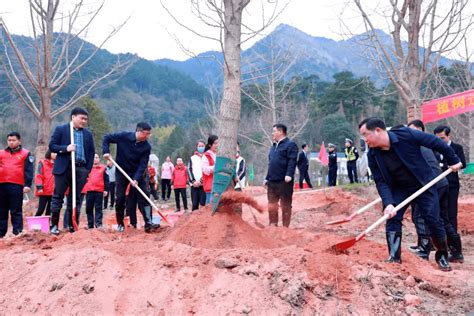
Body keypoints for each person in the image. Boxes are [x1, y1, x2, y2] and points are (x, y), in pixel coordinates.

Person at [359, 117, 462, 271]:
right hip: (400, 188)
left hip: (423, 183)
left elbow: (436, 143)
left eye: (365, 134)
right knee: (392, 217)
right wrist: (388, 203)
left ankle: (441, 256)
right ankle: (394, 257)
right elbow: (380, 181)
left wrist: (453, 160)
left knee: (432, 219)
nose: (364, 140)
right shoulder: (373, 155)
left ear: (378, 131)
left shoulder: (405, 134)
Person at [103, 122, 158, 233]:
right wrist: (106, 151)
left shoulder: (146, 146)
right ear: (139, 131)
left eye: (149, 134)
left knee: (145, 197)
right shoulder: (124, 137)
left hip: (137, 173)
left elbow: (143, 164)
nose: (147, 136)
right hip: (122, 171)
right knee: (120, 198)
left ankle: (149, 222)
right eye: (146, 134)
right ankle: (120, 224)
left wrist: (136, 178)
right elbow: (107, 138)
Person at [407, 120, 450, 260]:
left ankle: (425, 249)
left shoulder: (417, 146)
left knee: (421, 216)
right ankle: (431, 246)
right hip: (437, 183)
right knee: (433, 218)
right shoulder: (423, 145)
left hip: (432, 184)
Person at [48, 107, 95, 235]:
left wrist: (87, 169)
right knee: (58, 197)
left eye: (86, 119)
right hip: (64, 168)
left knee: (76, 199)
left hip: (81, 169)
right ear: (73, 117)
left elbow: (91, 152)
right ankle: (54, 225)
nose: (84, 121)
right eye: (81, 118)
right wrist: (66, 148)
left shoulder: (87, 134)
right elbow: (52, 146)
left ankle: (72, 225)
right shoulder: (61, 129)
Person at [434, 125, 467, 263]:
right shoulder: (434, 148)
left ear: (449, 136)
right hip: (438, 186)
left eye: (442, 138)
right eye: (437, 139)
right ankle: (442, 243)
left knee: (451, 214)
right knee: (440, 214)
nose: (440, 141)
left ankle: (455, 248)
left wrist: (447, 166)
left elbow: (462, 163)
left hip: (452, 185)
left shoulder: (456, 147)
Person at [0, 132, 34, 237]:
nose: (11, 142)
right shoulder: (1, 153)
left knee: (16, 209)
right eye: (9, 140)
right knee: (1, 210)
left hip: (16, 185)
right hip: (1, 184)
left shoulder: (25, 153)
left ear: (19, 141)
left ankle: (17, 232)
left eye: (13, 140)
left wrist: (27, 184)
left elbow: (29, 170)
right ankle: (1, 233)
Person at [264, 124, 298, 227]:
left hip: (284, 181)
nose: (272, 134)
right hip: (272, 181)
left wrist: (289, 174)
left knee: (285, 205)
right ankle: (273, 225)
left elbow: (292, 161)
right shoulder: (273, 146)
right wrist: (266, 177)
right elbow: (271, 163)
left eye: (274, 131)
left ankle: (285, 228)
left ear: (281, 132)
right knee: (272, 204)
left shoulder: (290, 144)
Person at [83, 154, 109, 229]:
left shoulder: (103, 168)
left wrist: (106, 189)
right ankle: (90, 224)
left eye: (97, 157)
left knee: (98, 208)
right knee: (88, 208)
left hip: (99, 191)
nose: (95, 159)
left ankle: (98, 224)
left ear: (99, 159)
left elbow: (106, 179)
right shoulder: (88, 168)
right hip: (89, 190)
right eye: (93, 157)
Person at [34, 149, 56, 216]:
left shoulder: (59, 164)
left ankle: (47, 225)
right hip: (44, 190)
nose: (55, 154)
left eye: (57, 153)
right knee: (41, 209)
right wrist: (39, 187)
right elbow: (39, 176)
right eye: (54, 152)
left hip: (54, 191)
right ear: (49, 153)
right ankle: (35, 223)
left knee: (50, 210)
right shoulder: (42, 163)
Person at [188, 140, 206, 211]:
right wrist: (193, 181)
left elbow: (207, 171)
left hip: (204, 185)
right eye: (199, 146)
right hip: (194, 185)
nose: (201, 147)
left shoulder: (206, 157)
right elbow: (189, 169)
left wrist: (201, 181)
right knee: (195, 204)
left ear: (205, 146)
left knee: (203, 204)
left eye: (202, 146)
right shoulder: (192, 158)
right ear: (196, 147)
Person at [202, 135, 219, 205]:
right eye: (215, 143)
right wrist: (216, 167)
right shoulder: (206, 155)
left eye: (218, 143)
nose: (217, 145)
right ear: (210, 145)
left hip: (218, 184)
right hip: (210, 185)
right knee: (210, 206)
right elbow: (205, 170)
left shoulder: (218, 154)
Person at [233, 142, 247, 216]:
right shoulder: (228, 159)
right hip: (229, 186)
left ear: (238, 148)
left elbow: (242, 171)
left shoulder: (241, 160)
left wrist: (235, 179)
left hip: (238, 186)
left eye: (236, 146)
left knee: (237, 206)